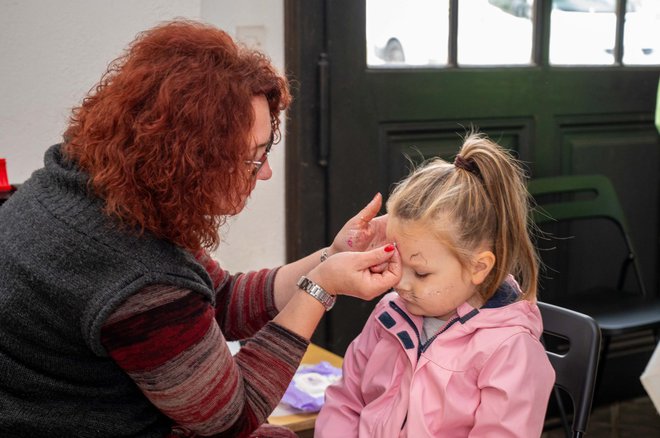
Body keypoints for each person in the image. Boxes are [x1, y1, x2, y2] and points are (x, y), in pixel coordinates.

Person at [0, 20, 402, 438]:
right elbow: (232, 419)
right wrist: (319, 289)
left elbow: (220, 300)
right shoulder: (136, 275)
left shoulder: (89, 185)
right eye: (252, 158)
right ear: (189, 158)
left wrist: (331, 258)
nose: (263, 173)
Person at [315, 132, 556, 437]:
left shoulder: (509, 351)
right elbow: (346, 402)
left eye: (421, 273)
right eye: (397, 262)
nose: (399, 283)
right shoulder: (388, 315)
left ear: (478, 267)